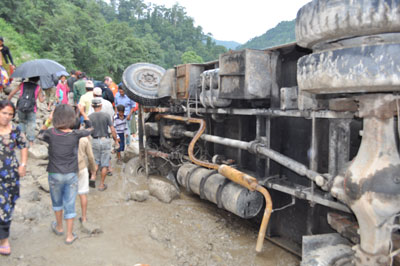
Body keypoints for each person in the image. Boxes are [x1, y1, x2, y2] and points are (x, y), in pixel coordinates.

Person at [38, 104, 92, 245]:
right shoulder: (75, 134)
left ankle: (59, 227)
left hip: (54, 174)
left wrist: (48, 121)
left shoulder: (51, 133)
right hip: (71, 175)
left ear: (56, 117)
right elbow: (91, 129)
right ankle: (69, 236)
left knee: (57, 203)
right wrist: (83, 113)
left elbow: (39, 135)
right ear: (71, 118)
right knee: (70, 204)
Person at [0, 100, 28, 256]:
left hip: (10, 176)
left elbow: (23, 146)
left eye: (10, 114)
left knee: (7, 206)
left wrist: (23, 164)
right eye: (4, 113)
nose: (7, 117)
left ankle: (3, 237)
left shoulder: (15, 130)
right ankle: (3, 239)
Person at [89, 98, 119, 191]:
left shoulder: (90, 117)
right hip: (105, 140)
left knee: (96, 161)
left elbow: (87, 130)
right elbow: (112, 129)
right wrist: (116, 140)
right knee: (105, 164)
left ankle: (93, 177)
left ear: (92, 106)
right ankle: (101, 185)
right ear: (101, 106)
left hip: (95, 140)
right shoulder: (106, 116)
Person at [7, 76, 45, 147]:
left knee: (22, 122)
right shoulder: (38, 87)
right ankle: (30, 142)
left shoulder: (22, 84)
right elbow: (41, 100)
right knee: (31, 123)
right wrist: (44, 97)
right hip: (31, 109)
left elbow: (12, 93)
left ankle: (22, 139)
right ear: (38, 79)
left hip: (21, 107)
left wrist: (7, 102)